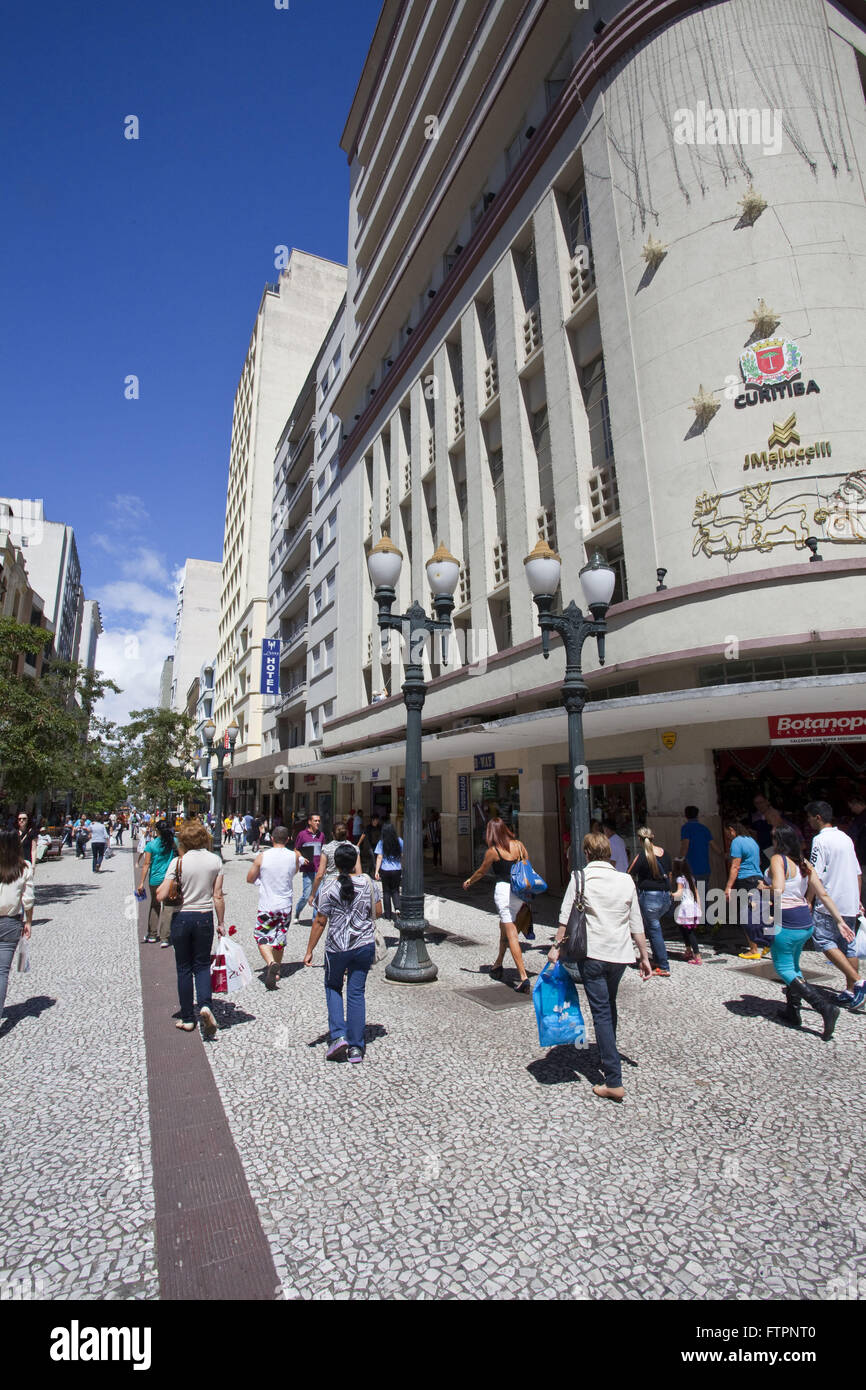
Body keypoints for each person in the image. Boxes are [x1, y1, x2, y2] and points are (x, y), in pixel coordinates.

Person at [549, 832, 652, 1102]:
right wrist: (644, 956)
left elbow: (564, 917)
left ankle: (613, 1079)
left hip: (592, 953)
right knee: (610, 1003)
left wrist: (555, 948)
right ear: (609, 853)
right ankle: (610, 1049)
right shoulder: (625, 879)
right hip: (620, 955)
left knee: (601, 1012)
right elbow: (636, 921)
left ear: (585, 853)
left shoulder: (579, 878)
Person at [759, 825, 846, 1039]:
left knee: (783, 968)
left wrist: (763, 888)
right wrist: (840, 920)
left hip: (786, 922)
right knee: (794, 966)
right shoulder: (805, 863)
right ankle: (792, 1011)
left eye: (774, 838)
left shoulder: (778, 859)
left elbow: (777, 890)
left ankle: (825, 1008)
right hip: (805, 923)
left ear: (780, 841)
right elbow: (822, 894)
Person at [304, 842, 383, 1063]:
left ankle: (339, 1035)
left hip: (337, 947)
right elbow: (378, 911)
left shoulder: (328, 887)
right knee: (356, 993)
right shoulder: (368, 884)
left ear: (336, 864)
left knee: (333, 986)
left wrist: (309, 950)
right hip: (363, 945)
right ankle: (357, 1048)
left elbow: (320, 921)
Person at [157, 821, 224, 1037]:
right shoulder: (215, 861)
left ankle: (187, 1018)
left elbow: (161, 895)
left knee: (184, 968)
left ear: (184, 840)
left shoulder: (178, 862)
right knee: (203, 965)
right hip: (205, 917)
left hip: (183, 916)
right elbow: (218, 896)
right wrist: (221, 923)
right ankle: (205, 1006)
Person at [805, 801, 866, 1011]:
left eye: (810, 817)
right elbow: (858, 872)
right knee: (849, 945)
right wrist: (857, 899)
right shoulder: (846, 838)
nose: (809, 821)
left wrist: (809, 899)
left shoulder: (820, 840)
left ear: (818, 817)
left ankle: (858, 981)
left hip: (830, 901)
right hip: (849, 900)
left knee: (823, 939)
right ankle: (851, 991)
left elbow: (815, 873)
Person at [462, 817, 531, 991]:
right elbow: (526, 865)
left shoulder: (493, 851)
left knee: (511, 933)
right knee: (504, 929)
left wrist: (470, 881)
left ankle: (523, 977)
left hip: (504, 892)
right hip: (519, 892)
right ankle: (498, 964)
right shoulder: (519, 845)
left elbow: (482, 871)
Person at [247, 826, 298, 989]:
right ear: (288, 839)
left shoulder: (263, 856)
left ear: (272, 839)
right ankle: (277, 971)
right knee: (279, 938)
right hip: (285, 905)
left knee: (261, 935)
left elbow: (249, 878)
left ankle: (270, 963)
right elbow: (294, 872)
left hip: (267, 905)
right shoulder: (293, 856)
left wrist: (261, 879)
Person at [0, 829, 34, 1030]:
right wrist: (28, 922)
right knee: (2, 973)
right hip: (11, 922)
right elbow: (28, 900)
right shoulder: (23, 868)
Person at [628, 827, 673, 976]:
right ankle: (657, 959)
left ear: (640, 840)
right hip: (665, 896)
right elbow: (670, 875)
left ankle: (663, 964)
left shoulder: (642, 856)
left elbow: (629, 874)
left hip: (649, 897)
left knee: (654, 929)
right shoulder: (665, 854)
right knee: (653, 927)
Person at [723, 820, 770, 960]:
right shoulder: (752, 841)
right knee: (758, 913)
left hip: (745, 880)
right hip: (757, 878)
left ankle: (754, 949)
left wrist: (728, 887)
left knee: (746, 915)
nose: (728, 837)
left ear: (732, 830)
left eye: (727, 833)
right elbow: (759, 861)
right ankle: (767, 941)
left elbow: (735, 866)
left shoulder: (736, 842)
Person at [137, 820, 179, 946]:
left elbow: (146, 864)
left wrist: (141, 883)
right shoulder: (174, 842)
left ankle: (152, 935)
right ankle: (165, 937)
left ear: (157, 830)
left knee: (154, 906)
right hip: (169, 879)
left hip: (154, 879)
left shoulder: (151, 845)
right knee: (168, 907)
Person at [678, 806, 723, 897]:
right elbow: (716, 848)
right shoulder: (704, 829)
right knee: (702, 898)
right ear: (697, 815)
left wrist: (679, 862)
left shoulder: (686, 828)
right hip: (704, 869)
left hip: (691, 869)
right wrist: (724, 854)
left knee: (691, 899)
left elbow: (685, 846)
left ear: (686, 815)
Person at [312, 822, 359, 903]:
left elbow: (320, 874)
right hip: (350, 884)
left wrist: (312, 894)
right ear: (347, 833)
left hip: (331, 884)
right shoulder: (354, 848)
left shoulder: (326, 849)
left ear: (332, 834)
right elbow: (358, 872)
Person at [294, 814, 325, 922]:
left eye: (319, 821)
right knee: (306, 895)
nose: (318, 823)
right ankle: (297, 912)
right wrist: (301, 857)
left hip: (318, 869)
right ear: (309, 822)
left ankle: (314, 920)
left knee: (318, 895)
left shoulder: (321, 835)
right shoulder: (302, 835)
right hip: (307, 870)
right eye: (315, 821)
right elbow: (296, 850)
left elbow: (323, 851)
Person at [671, 857, 702, 964]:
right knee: (684, 929)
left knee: (689, 932)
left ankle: (697, 956)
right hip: (692, 905)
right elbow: (696, 892)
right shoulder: (690, 878)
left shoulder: (680, 879)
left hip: (685, 907)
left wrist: (670, 894)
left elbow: (679, 893)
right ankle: (688, 950)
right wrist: (699, 907)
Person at [374, 821, 403, 921]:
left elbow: (379, 857)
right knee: (395, 890)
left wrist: (376, 871)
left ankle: (388, 914)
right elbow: (403, 855)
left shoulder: (382, 842)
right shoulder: (399, 840)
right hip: (397, 869)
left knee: (386, 891)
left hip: (385, 870)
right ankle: (398, 908)